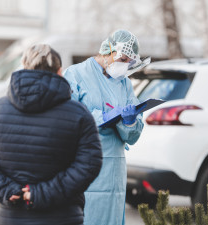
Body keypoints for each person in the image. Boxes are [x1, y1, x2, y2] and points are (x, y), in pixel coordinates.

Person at [0, 44, 102, 225]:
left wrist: (6, 189)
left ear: (24, 67)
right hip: (62, 217)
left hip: (11, 217)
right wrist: (42, 193)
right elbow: (90, 163)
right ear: (59, 71)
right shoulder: (79, 114)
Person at [64, 29, 146, 225]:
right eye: (123, 59)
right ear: (109, 50)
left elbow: (133, 136)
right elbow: (67, 117)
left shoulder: (124, 83)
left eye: (129, 63)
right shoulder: (75, 74)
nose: (125, 66)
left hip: (114, 171)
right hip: (85, 164)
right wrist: (102, 117)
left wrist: (130, 122)